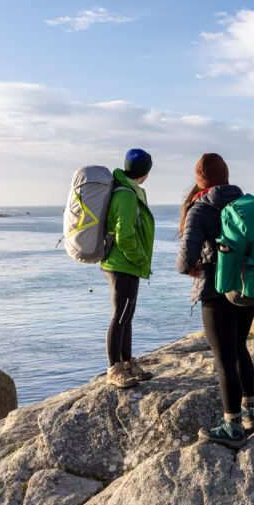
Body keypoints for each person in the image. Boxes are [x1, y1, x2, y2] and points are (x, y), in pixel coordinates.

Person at [175, 153, 254, 448]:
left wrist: (188, 269)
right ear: (226, 175)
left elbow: (185, 260)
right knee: (239, 348)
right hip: (247, 289)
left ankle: (232, 427)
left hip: (215, 289)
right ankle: (251, 415)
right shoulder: (244, 202)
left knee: (224, 360)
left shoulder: (200, 208)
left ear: (200, 181)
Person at [101, 148, 155, 389]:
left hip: (124, 263)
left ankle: (127, 363)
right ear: (145, 172)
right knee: (120, 316)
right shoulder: (127, 195)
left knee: (126, 315)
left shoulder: (126, 191)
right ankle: (114, 369)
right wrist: (141, 258)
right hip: (122, 263)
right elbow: (125, 236)